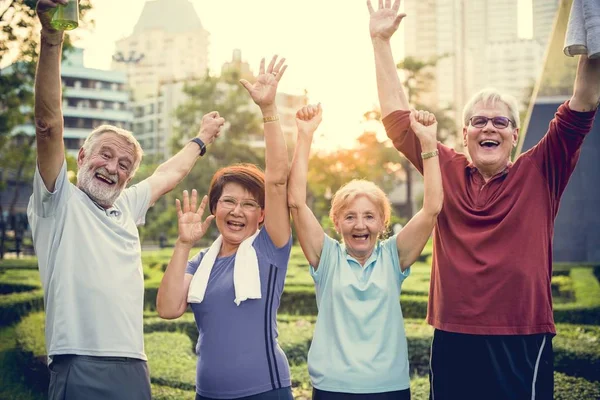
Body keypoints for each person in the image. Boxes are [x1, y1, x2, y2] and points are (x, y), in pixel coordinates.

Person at [368, 1, 600, 399]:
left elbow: (583, 100)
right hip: (454, 332)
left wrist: (592, 24)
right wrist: (380, 41)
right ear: (464, 134)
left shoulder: (542, 168)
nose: (488, 126)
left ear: (513, 135)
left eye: (500, 121)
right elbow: (396, 121)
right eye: (478, 120)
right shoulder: (445, 169)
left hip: (522, 335)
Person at [27, 1, 224, 399]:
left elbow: (169, 173)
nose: (113, 168)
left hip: (133, 363)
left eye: (124, 164)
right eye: (105, 154)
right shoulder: (58, 201)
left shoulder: (125, 206)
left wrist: (202, 137)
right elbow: (48, 125)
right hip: (76, 361)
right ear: (81, 157)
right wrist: (52, 38)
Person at [156, 56, 294, 400]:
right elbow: (169, 308)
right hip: (209, 394)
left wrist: (268, 110)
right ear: (214, 207)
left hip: (266, 391)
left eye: (249, 204)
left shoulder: (270, 247)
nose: (237, 211)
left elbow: (277, 181)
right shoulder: (201, 262)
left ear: (261, 215)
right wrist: (183, 243)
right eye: (229, 201)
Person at [288, 103, 443, 399]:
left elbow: (432, 208)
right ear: (336, 223)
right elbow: (295, 201)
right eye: (350, 216)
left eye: (369, 216)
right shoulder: (327, 256)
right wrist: (305, 135)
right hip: (333, 388)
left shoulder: (393, 256)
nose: (360, 225)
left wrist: (427, 143)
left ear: (383, 222)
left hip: (390, 388)